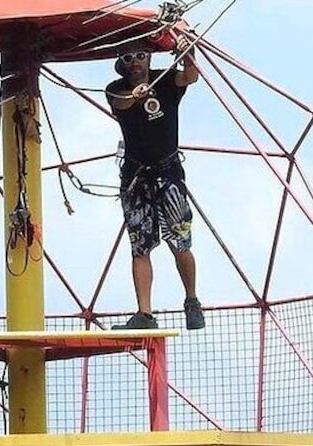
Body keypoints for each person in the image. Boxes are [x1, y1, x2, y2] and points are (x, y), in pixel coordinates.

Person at [105, 34, 205, 331]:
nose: (135, 62)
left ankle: (192, 300)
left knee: (181, 241)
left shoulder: (166, 81)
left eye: (140, 55)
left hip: (168, 173)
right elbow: (120, 103)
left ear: (149, 57)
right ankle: (144, 313)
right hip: (137, 177)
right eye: (127, 58)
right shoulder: (116, 89)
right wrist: (137, 94)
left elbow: (191, 76)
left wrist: (187, 50)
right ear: (121, 66)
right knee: (140, 246)